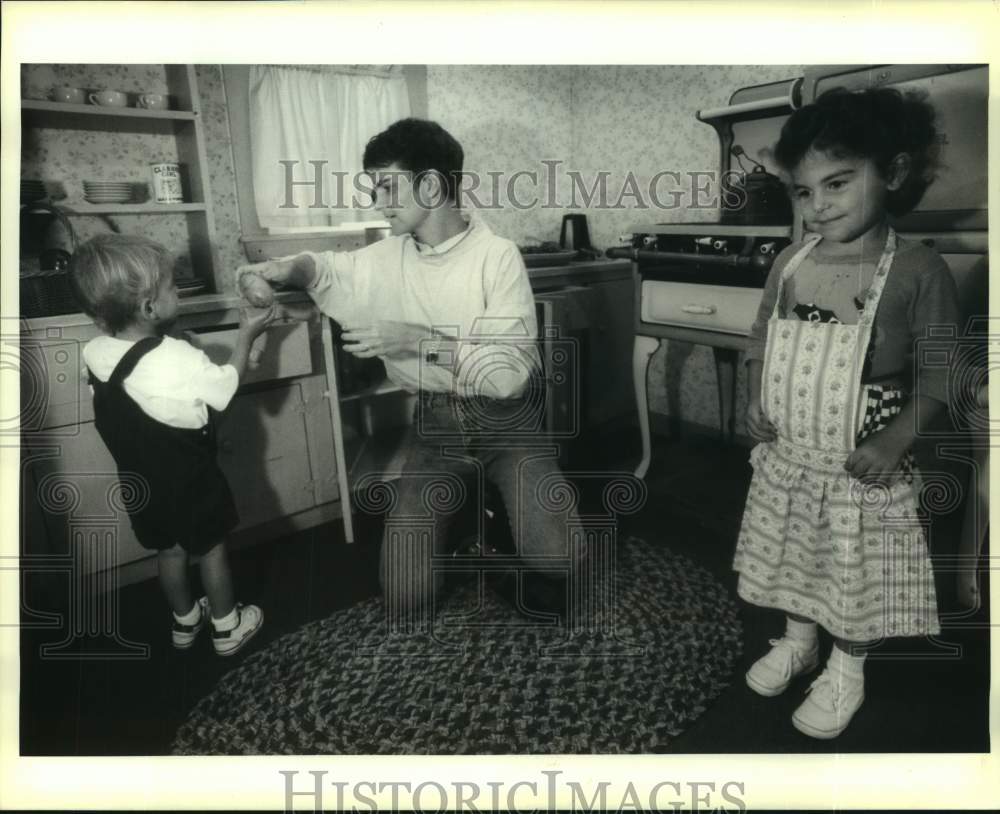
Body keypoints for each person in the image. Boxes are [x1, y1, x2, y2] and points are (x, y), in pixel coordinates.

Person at [238, 118, 583, 622]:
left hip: (506, 423)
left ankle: (498, 535)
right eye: (374, 188)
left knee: (561, 560)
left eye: (388, 186)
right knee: (404, 597)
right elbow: (324, 268)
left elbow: (508, 376)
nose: (379, 201)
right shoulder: (386, 255)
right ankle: (472, 528)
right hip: (437, 424)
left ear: (432, 185)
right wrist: (283, 270)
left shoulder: (496, 257)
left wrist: (419, 341)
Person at [733, 87, 960, 739]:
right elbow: (761, 336)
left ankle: (846, 668)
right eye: (804, 192)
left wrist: (897, 439)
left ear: (891, 173)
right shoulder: (790, 262)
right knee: (795, 554)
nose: (819, 204)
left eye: (838, 182)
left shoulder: (918, 270)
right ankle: (799, 639)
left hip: (866, 460)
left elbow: (945, 372)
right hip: (791, 456)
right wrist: (756, 393)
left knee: (854, 571)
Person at [70, 234, 274, 655]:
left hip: (141, 484)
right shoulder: (177, 357)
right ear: (149, 308)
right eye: (173, 287)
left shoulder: (95, 351)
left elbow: (144, 379)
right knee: (211, 547)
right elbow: (224, 388)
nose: (177, 291)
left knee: (170, 550)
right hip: (190, 480)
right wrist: (246, 337)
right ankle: (227, 625)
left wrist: (176, 342)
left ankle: (185, 621)